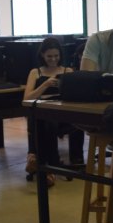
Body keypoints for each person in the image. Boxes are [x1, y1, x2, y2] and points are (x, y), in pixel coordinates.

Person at [23, 37, 85, 184]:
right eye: (49, 56)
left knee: (44, 121)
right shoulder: (35, 72)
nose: (53, 59)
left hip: (62, 114)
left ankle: (38, 160)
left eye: (56, 56)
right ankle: (49, 164)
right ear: (42, 55)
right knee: (42, 120)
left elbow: (74, 96)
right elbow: (26, 99)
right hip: (42, 114)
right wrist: (45, 85)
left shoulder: (67, 71)